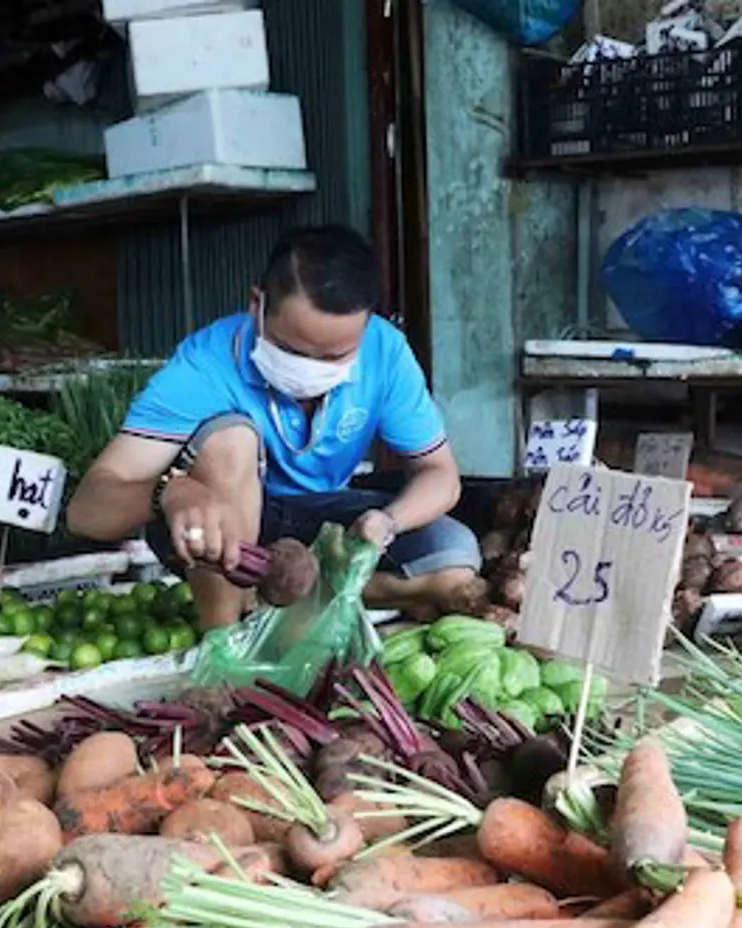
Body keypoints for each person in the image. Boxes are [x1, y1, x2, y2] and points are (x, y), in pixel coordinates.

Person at [68, 225, 482, 629]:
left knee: (454, 562)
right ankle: (226, 638)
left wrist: (387, 522)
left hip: (322, 522)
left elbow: (440, 474)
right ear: (257, 304)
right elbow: (87, 511)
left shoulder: (384, 350)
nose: (312, 371)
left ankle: (279, 589)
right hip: (220, 533)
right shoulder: (204, 365)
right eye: (293, 351)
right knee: (230, 438)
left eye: (336, 357)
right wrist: (170, 491)